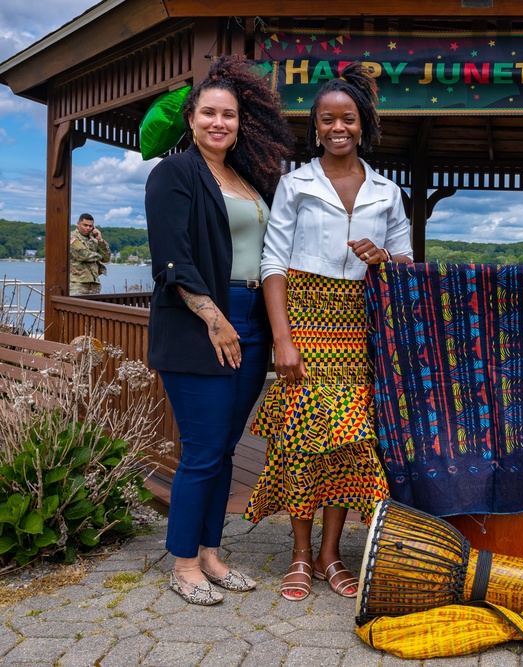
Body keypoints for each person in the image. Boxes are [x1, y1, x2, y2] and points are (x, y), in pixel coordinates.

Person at [243, 62, 413, 602]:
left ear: (363, 123)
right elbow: (272, 264)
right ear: (315, 127)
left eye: (348, 119)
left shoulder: (387, 191)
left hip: (359, 328)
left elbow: (406, 264)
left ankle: (330, 555)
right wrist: (282, 340)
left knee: (346, 447)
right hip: (306, 325)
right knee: (300, 443)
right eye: (327, 120)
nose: (338, 128)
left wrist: (383, 257)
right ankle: (298, 553)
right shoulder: (294, 184)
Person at [145, 55, 294, 605]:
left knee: (228, 448)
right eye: (208, 112)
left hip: (253, 315)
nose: (218, 123)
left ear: (241, 121)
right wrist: (214, 318)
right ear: (191, 118)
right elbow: (171, 259)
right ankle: (183, 562)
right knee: (204, 450)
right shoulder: (175, 173)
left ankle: (210, 552)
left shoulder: (248, 177)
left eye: (228, 114)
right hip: (200, 320)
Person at [69, 213, 110, 295]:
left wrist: (100, 241)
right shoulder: (72, 237)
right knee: (77, 307)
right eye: (85, 225)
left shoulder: (94, 240)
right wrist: (99, 256)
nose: (88, 228)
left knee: (93, 307)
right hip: (77, 283)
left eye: (90, 226)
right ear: (78, 224)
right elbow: (83, 255)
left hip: (94, 283)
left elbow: (106, 258)